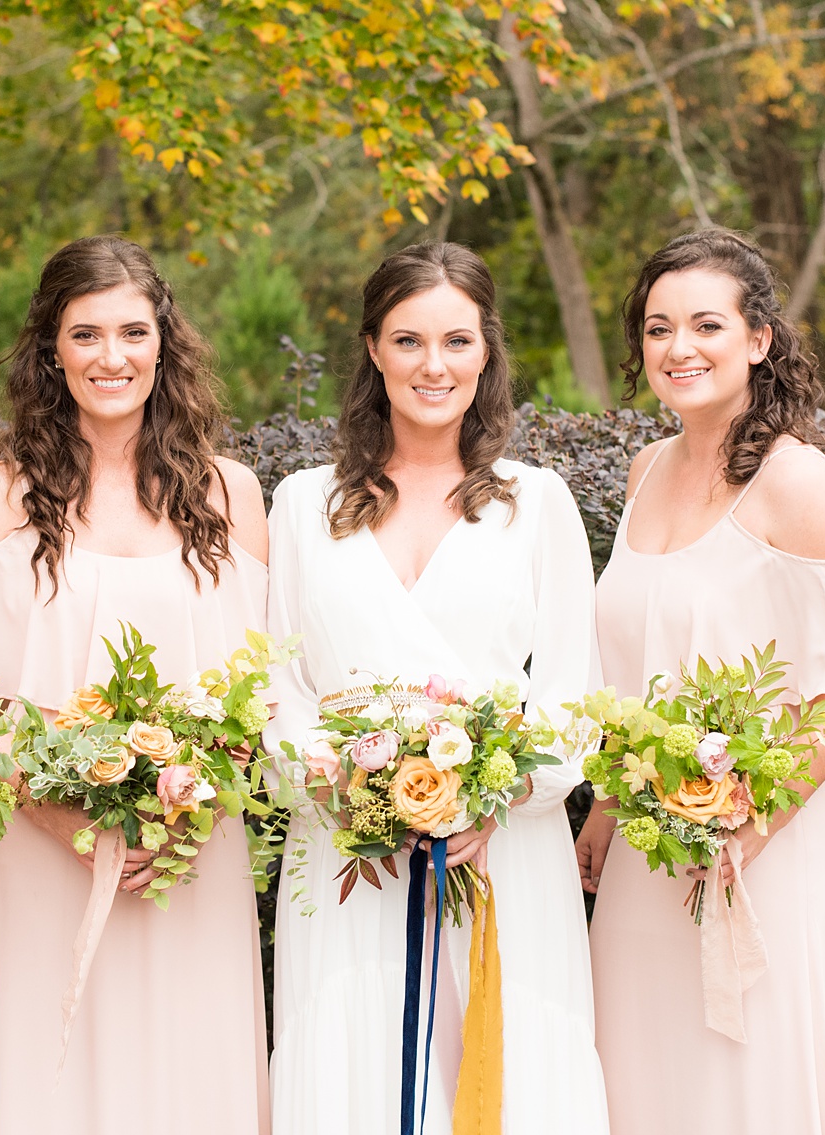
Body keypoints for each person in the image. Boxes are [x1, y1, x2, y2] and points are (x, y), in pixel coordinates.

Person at [265, 241, 609, 1133]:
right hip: (348, 855)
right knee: (354, 1069)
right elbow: (279, 686)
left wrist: (494, 793)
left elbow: (572, 701)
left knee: (505, 1067)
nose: (433, 364)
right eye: (409, 340)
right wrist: (351, 790)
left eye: (457, 341)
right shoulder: (304, 504)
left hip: (502, 854)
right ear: (373, 349)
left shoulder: (541, 504)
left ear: (486, 351)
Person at [578, 228, 825, 1135]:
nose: (679, 348)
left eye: (706, 324)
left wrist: (748, 825)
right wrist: (608, 801)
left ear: (759, 338)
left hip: (760, 845)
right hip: (648, 840)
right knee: (643, 1075)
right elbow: (633, 663)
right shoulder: (646, 472)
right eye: (658, 327)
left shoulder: (801, 485)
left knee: (744, 1080)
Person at [0, 235, 270, 1134]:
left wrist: (189, 812)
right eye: (86, 335)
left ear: (164, 341)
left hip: (188, 856)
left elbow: (259, 687)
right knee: (54, 1075)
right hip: (43, 851)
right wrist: (67, 822)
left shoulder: (228, 495)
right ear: (51, 348)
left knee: (186, 1073)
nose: (111, 356)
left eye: (133, 331)